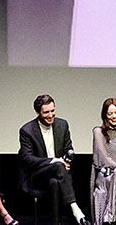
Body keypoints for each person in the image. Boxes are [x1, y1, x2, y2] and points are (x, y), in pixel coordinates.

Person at [18, 94, 91, 225]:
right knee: (58, 166)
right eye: (46, 112)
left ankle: (56, 223)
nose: (51, 115)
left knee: (54, 183)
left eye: (53, 111)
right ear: (37, 112)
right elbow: (29, 159)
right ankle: (75, 209)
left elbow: (69, 149)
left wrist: (66, 161)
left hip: (58, 175)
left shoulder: (62, 125)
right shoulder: (27, 131)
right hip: (36, 176)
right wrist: (56, 161)